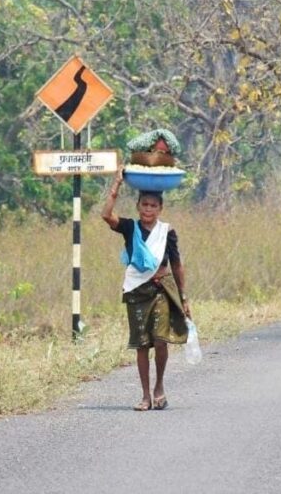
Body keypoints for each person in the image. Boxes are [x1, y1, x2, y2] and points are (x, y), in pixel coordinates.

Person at [102, 168, 191, 411]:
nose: (148, 210)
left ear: (160, 209)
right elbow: (106, 215)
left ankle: (159, 386)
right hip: (136, 292)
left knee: (161, 341)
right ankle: (145, 395)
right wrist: (116, 185)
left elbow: (176, 264)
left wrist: (183, 297)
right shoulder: (130, 228)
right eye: (144, 205)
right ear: (138, 206)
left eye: (153, 206)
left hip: (161, 290)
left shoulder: (167, 232)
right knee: (141, 344)